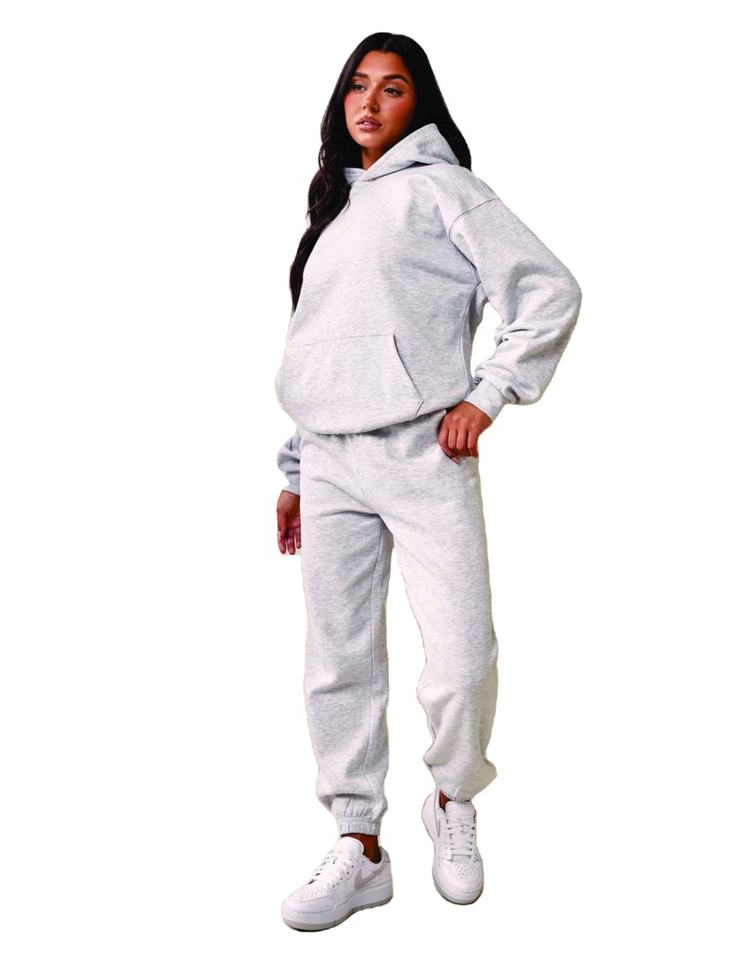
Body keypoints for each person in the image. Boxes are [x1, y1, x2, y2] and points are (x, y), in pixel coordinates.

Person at [274, 33, 582, 932]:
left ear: (422, 103)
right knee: (337, 658)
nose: (369, 103)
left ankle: (451, 797)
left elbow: (550, 290)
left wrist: (488, 395)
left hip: (423, 453)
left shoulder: (447, 190)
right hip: (329, 462)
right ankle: (360, 843)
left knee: (462, 656)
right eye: (357, 87)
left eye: (393, 88)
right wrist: (294, 470)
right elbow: (319, 353)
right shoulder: (333, 212)